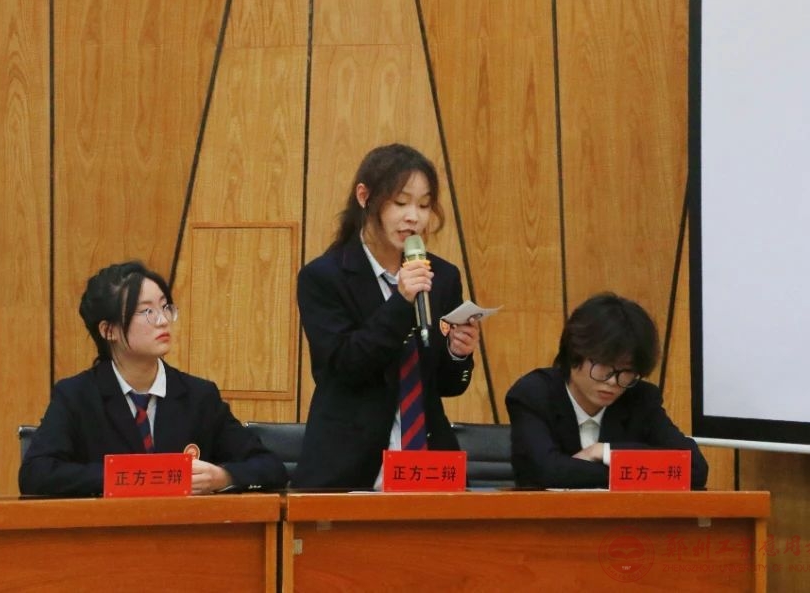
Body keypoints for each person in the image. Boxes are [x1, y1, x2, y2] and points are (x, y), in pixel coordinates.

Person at [293, 143, 480, 489]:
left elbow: (449, 385)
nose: (414, 217)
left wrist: (458, 353)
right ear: (365, 197)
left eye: (424, 205)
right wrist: (401, 301)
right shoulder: (323, 277)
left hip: (428, 466)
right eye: (400, 202)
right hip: (347, 468)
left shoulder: (442, 276)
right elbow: (345, 365)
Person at [19, 261, 287, 496]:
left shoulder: (198, 396)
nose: (163, 321)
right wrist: (131, 478)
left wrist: (223, 477)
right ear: (109, 330)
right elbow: (36, 474)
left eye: (165, 307)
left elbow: (270, 466)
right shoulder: (76, 396)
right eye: (147, 311)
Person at [505, 291, 709, 489]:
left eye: (626, 371)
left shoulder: (640, 399)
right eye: (603, 365)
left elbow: (695, 468)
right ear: (574, 354)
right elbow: (545, 472)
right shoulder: (534, 395)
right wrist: (632, 471)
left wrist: (604, 452)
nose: (612, 381)